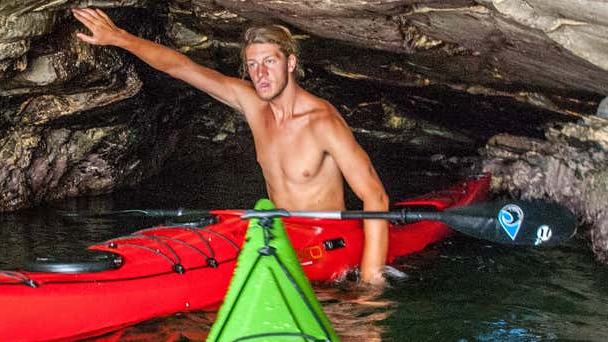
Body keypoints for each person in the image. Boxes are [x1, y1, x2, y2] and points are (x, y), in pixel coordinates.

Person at [71, 8, 391, 285]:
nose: (260, 73)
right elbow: (181, 68)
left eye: (269, 61)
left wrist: (369, 282)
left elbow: (374, 196)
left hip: (325, 240)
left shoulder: (322, 122)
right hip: (278, 229)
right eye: (252, 65)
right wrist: (120, 39)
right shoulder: (252, 103)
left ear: (290, 63)